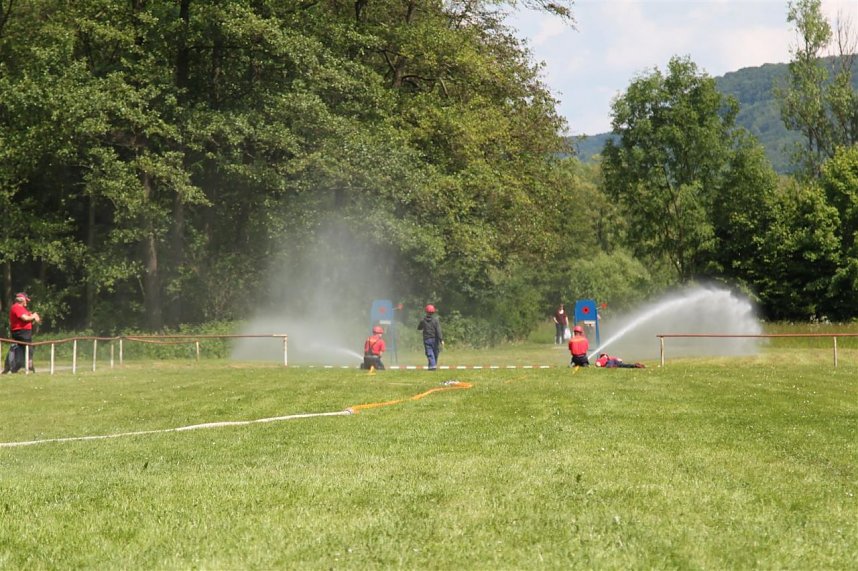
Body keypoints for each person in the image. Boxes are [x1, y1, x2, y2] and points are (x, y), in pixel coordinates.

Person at [3, 292, 41, 374]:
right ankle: (27, 366)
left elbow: (30, 318)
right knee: (27, 349)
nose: (27, 302)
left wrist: (34, 317)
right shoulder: (17, 307)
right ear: (22, 300)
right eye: (26, 300)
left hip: (24, 332)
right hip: (21, 332)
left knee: (25, 349)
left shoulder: (23, 309)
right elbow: (25, 318)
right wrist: (33, 316)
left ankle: (15, 366)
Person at [417, 304, 443, 370]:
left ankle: (432, 366)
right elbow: (438, 330)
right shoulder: (436, 320)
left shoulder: (423, 320)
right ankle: (433, 365)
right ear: (433, 312)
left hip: (427, 339)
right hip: (435, 340)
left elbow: (419, 328)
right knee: (435, 353)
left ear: (426, 311)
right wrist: (441, 339)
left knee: (429, 353)